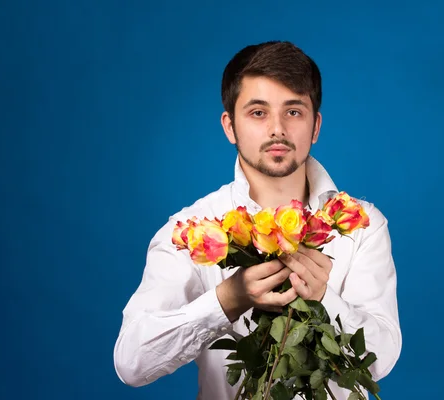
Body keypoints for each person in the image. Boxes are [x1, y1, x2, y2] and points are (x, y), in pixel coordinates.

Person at [113, 40, 402, 399]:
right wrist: (227, 300)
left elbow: (381, 358)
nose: (277, 129)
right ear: (230, 126)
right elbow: (132, 362)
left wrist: (324, 298)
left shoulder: (362, 224)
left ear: (315, 126)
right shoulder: (194, 230)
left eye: (294, 112)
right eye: (258, 112)